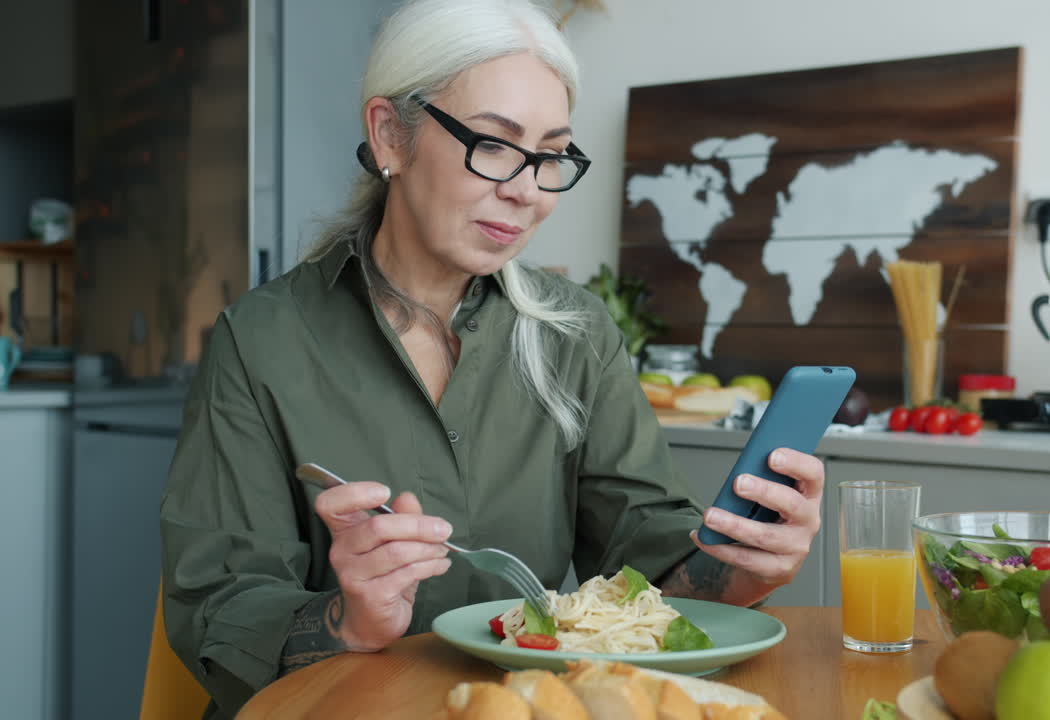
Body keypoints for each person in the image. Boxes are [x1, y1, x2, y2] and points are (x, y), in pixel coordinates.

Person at [159, 0, 826, 717]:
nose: (527, 189)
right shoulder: (259, 340)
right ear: (390, 135)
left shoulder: (578, 332)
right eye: (495, 145)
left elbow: (646, 560)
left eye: (551, 155)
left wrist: (742, 566)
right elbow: (218, 606)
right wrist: (343, 621)